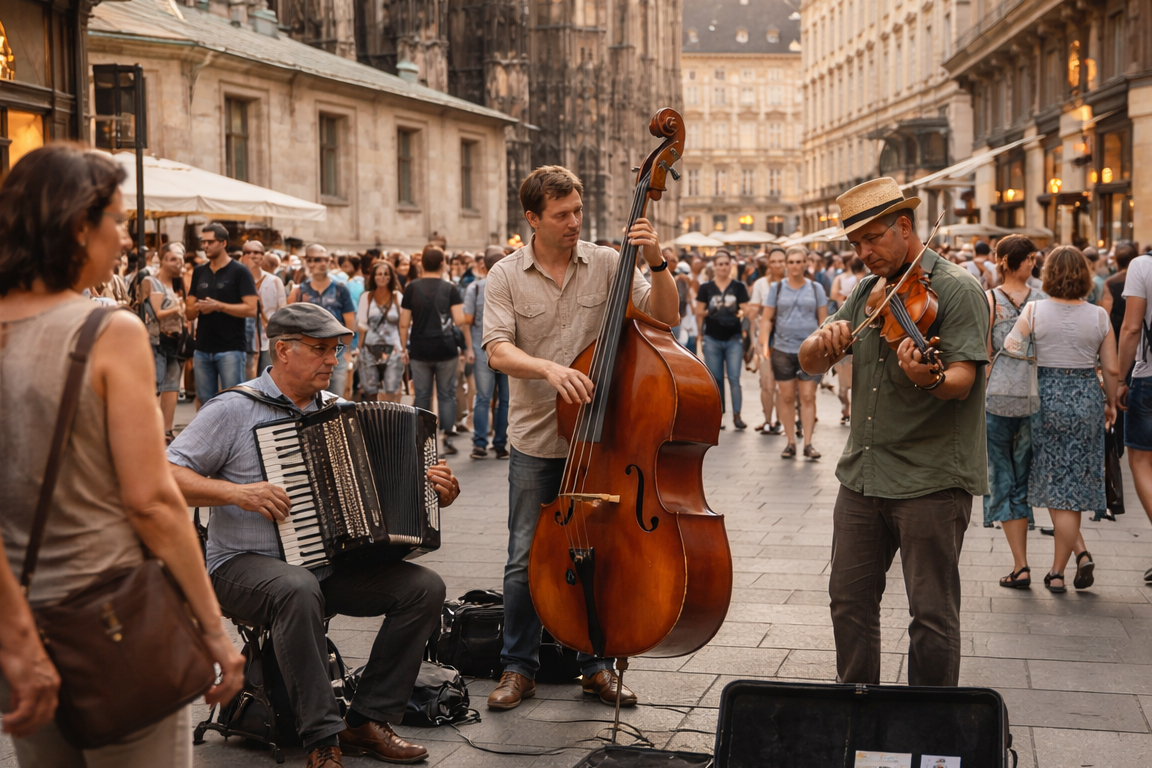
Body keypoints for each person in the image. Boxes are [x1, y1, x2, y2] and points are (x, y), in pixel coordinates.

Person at [0, 144, 244, 766]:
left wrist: (17, 637)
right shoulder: (107, 331)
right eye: (117, 220)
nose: (126, 239)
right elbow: (152, 501)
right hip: (114, 615)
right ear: (78, 226)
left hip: (22, 622)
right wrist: (212, 626)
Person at [168, 303, 461, 768]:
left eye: (336, 350)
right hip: (238, 565)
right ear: (283, 350)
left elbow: (385, 489)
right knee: (297, 588)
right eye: (320, 349)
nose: (333, 360)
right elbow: (164, 475)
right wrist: (236, 493)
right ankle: (322, 738)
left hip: (324, 565)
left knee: (423, 588)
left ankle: (366, 720)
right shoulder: (232, 409)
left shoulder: (339, 411)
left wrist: (435, 492)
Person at [481, 165, 679, 711]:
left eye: (578, 211)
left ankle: (597, 665)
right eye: (562, 214)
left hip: (604, 442)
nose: (574, 222)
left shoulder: (610, 262)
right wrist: (548, 369)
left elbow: (665, 316)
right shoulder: (505, 275)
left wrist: (657, 261)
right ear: (532, 218)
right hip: (538, 436)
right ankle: (518, 667)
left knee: (602, 549)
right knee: (524, 556)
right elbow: (497, 349)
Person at [798, 177, 990, 687]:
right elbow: (810, 361)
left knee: (931, 614)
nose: (863, 253)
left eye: (872, 239)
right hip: (863, 475)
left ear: (905, 226)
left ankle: (928, 723)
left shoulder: (957, 289)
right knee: (848, 601)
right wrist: (822, 341)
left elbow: (963, 380)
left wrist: (928, 377)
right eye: (855, 243)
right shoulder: (867, 292)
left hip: (930, 479)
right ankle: (859, 710)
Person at [1005, 246, 1117, 592]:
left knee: (1053, 477)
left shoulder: (1035, 309)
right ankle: (1057, 572)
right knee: (1074, 484)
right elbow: (1111, 368)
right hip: (1085, 396)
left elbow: (1011, 346)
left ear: (1049, 274)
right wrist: (1111, 402)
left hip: (1046, 397)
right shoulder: (1099, 316)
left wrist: (1036, 353)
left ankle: (1059, 572)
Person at [982, 236, 1044, 584]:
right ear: (1008, 260)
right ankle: (1021, 563)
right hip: (1011, 398)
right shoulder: (994, 298)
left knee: (1011, 476)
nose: (1033, 263)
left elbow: (985, 351)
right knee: (1011, 476)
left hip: (1018, 399)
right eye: (1028, 258)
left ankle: (1022, 566)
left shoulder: (1039, 297)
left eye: (1034, 258)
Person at [762, 246, 828, 459]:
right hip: (782, 349)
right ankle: (790, 442)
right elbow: (767, 318)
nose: (795, 266)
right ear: (786, 265)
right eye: (791, 262)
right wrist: (763, 344)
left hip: (810, 351)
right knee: (787, 397)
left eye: (799, 261)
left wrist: (825, 348)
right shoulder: (777, 288)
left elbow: (824, 321)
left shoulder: (816, 288)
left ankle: (808, 443)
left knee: (808, 396)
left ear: (806, 263)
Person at [399, 247, 465, 455]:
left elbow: (403, 323)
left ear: (422, 264)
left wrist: (403, 347)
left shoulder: (411, 288)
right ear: (442, 264)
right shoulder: (450, 288)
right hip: (446, 347)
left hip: (420, 347)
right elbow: (460, 320)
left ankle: (423, 439)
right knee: (446, 395)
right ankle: (445, 439)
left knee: (422, 395)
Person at [187, 222, 259, 405]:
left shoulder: (240, 271)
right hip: (202, 348)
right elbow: (189, 313)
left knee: (234, 401)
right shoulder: (199, 271)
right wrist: (197, 307)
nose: (205, 246)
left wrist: (219, 306)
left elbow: (252, 309)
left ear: (223, 243)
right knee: (205, 403)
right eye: (203, 242)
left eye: (210, 242)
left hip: (231, 348)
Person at [1116, 246, 1152, 584]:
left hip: (1149, 377)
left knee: (1140, 461)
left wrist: (1119, 380)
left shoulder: (1142, 266)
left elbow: (1131, 328)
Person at [288, 244, 356, 397]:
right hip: (307, 356)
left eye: (326, 259)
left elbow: (350, 322)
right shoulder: (299, 291)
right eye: (318, 259)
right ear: (309, 262)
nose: (323, 263)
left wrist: (345, 349)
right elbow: (291, 325)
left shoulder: (340, 289)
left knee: (336, 400)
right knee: (308, 401)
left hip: (336, 354)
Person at [695, 250, 751, 430]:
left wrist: (739, 312)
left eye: (726, 263)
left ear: (730, 266)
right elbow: (698, 312)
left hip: (734, 337)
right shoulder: (706, 288)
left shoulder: (738, 287)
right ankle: (718, 415)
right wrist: (709, 314)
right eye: (720, 264)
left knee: (734, 377)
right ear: (714, 266)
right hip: (712, 338)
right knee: (716, 379)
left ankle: (737, 415)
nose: (724, 267)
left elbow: (746, 310)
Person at [463, 246, 509, 459]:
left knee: (483, 398)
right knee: (504, 400)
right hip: (508, 349)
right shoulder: (511, 284)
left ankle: (480, 443)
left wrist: (469, 348)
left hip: (482, 349)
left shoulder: (475, 288)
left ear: (484, 266)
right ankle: (500, 444)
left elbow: (467, 321)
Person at [141, 242, 188, 442]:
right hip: (156, 341)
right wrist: (179, 308)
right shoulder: (152, 281)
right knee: (156, 385)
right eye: (172, 259)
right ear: (162, 260)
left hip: (174, 341)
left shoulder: (177, 284)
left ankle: (166, 431)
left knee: (172, 385)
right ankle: (150, 430)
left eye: (180, 259)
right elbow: (157, 313)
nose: (178, 263)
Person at [748, 247, 787, 435]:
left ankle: (780, 421)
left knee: (783, 385)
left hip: (787, 340)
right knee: (767, 383)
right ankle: (767, 420)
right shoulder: (761, 284)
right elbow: (752, 313)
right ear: (769, 264)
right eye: (774, 261)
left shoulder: (793, 283)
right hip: (765, 339)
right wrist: (752, 340)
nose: (778, 265)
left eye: (781, 261)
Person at [355, 259, 406, 404]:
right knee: (370, 391)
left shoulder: (397, 296)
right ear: (373, 276)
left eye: (386, 274)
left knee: (391, 389)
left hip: (393, 348)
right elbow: (362, 324)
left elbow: (403, 324)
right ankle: (372, 418)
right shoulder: (367, 297)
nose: (382, 277)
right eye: (379, 274)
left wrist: (404, 348)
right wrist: (358, 347)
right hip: (370, 347)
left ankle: (390, 417)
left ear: (391, 277)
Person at [829, 256, 866, 425]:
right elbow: (834, 297)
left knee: (854, 382)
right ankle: (846, 408)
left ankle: (851, 411)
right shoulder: (841, 278)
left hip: (857, 333)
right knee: (844, 386)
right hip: (844, 333)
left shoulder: (864, 279)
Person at [241, 239, 287, 377]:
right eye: (248, 252)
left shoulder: (274, 281)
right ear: (243, 256)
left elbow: (282, 310)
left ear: (262, 256)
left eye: (256, 252)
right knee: (245, 380)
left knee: (268, 378)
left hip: (268, 339)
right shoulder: (237, 281)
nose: (252, 255)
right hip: (242, 338)